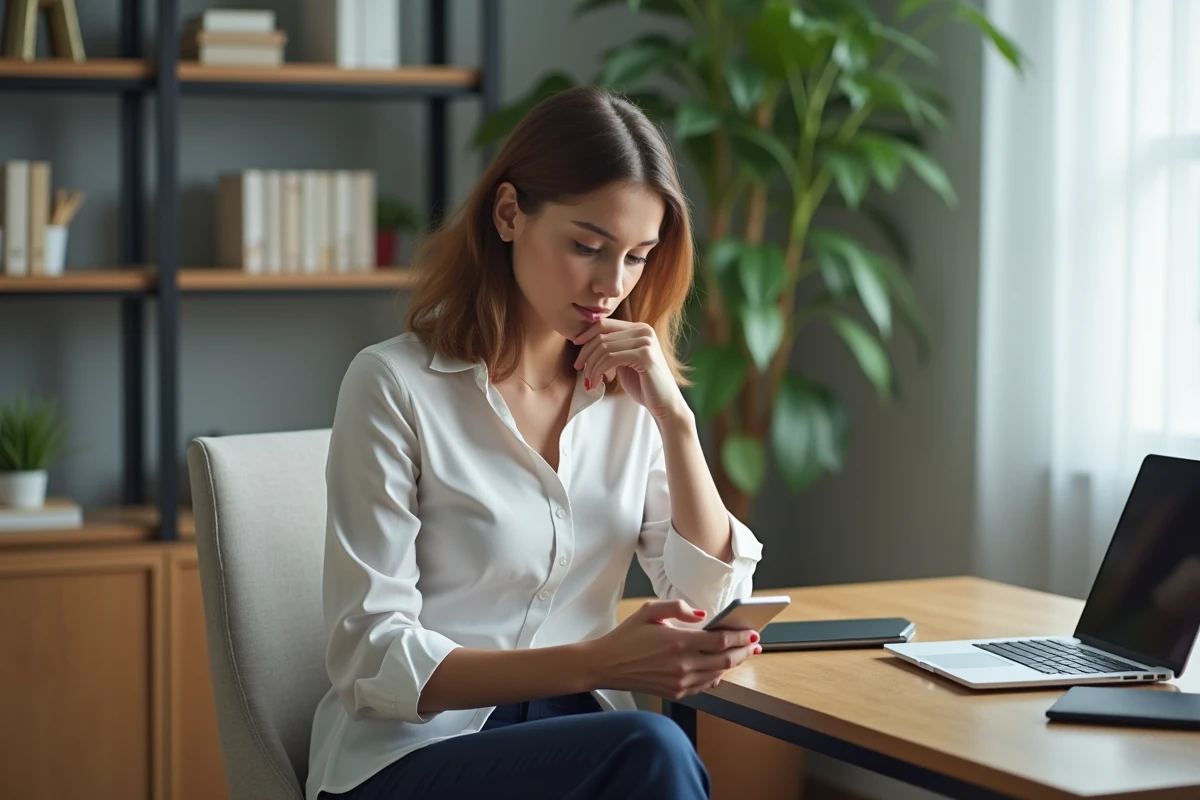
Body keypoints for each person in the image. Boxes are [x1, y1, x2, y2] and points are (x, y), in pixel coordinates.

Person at [306, 85, 765, 800]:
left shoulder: (630, 399)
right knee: (652, 749)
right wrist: (595, 663)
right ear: (510, 213)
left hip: (583, 739)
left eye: (638, 257)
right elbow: (371, 658)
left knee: (651, 751)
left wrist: (676, 422)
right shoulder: (394, 386)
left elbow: (709, 599)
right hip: (414, 753)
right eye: (588, 246)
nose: (612, 285)